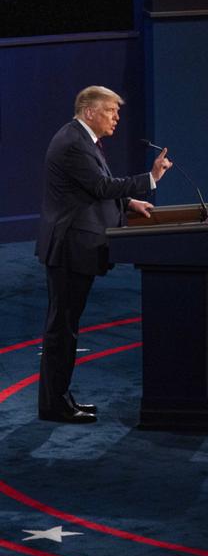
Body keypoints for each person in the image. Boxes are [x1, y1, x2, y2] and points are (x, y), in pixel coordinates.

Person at [35, 86, 173, 423]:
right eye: (111, 111)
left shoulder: (82, 141)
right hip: (70, 247)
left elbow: (93, 187)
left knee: (65, 326)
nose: (116, 118)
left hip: (75, 246)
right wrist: (150, 179)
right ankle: (55, 404)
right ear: (89, 111)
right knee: (62, 329)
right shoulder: (72, 144)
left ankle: (59, 399)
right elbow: (99, 187)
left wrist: (129, 203)